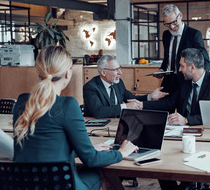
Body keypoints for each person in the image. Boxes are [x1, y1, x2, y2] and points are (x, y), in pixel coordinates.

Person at [12, 45, 138, 190]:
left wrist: (83, 149)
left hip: (25, 184)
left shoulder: (21, 102)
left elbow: (48, 145)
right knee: (99, 173)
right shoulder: (68, 105)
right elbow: (91, 160)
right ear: (67, 74)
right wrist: (121, 153)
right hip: (61, 184)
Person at [143, 48, 210, 126]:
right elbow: (170, 103)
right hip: (181, 130)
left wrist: (187, 120)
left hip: (204, 129)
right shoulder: (184, 81)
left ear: (192, 67)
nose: (179, 69)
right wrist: (142, 104)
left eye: (182, 66)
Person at [83, 55, 168, 118]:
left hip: (115, 125)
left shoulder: (118, 83)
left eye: (119, 68)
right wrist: (125, 107)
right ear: (103, 72)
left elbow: (131, 99)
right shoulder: (90, 87)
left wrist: (150, 97)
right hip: (97, 130)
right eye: (116, 70)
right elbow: (99, 112)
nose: (120, 73)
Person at [155, 4, 210, 95]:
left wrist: (198, 79)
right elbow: (168, 58)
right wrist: (162, 70)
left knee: (184, 109)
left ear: (180, 16)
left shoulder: (194, 34)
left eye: (174, 22)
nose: (172, 27)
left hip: (186, 82)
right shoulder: (166, 35)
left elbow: (206, 62)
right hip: (168, 81)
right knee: (162, 107)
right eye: (168, 24)